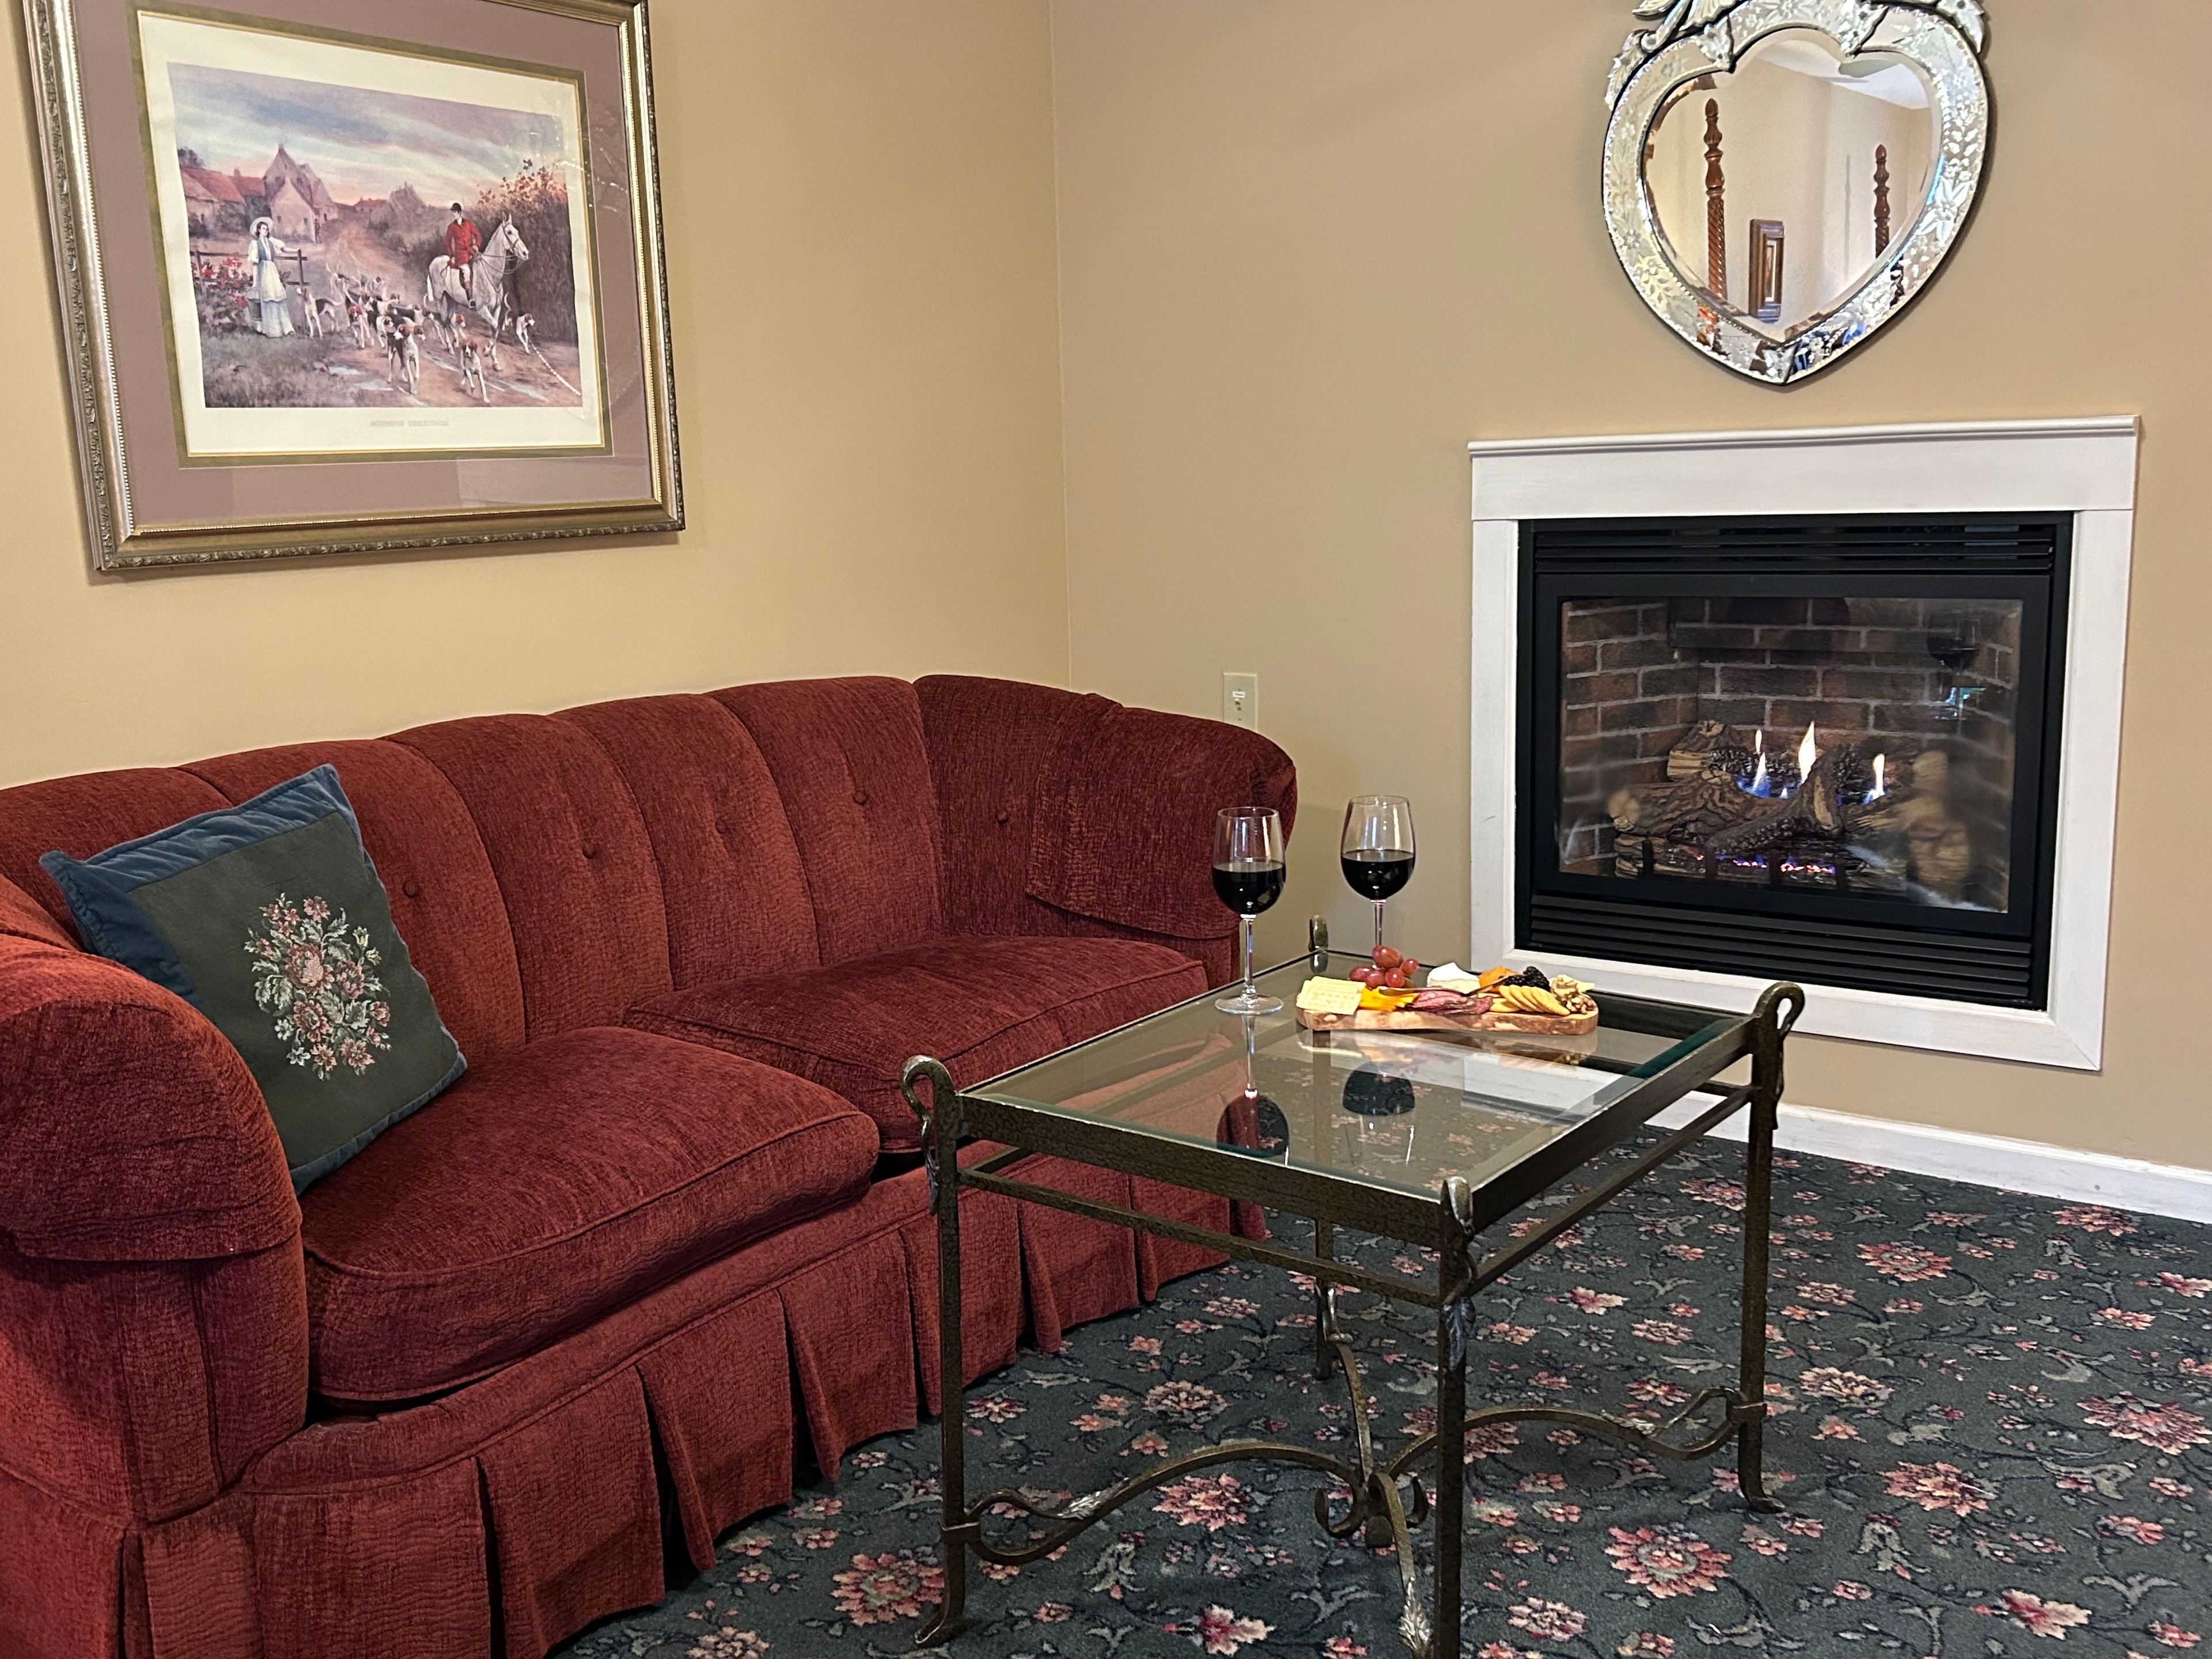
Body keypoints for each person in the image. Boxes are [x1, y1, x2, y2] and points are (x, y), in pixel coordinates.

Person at [245, 216, 293, 338]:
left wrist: (296, 250)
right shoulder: (255, 244)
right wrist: (255, 283)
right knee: (268, 298)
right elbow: (255, 263)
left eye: (267, 229)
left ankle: (286, 329)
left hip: (272, 271)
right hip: (264, 272)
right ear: (259, 231)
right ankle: (272, 330)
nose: (265, 231)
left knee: (277, 297)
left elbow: (283, 248)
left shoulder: (271, 242)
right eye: (263, 229)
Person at [444, 204, 482, 296]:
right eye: (453, 212)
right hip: (461, 256)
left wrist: (477, 245)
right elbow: (447, 243)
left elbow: (478, 236)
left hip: (472, 253)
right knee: (467, 271)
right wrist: (452, 256)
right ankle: (470, 297)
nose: (453, 214)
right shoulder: (451, 227)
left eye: (455, 212)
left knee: (481, 267)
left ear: (460, 213)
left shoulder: (468, 224)